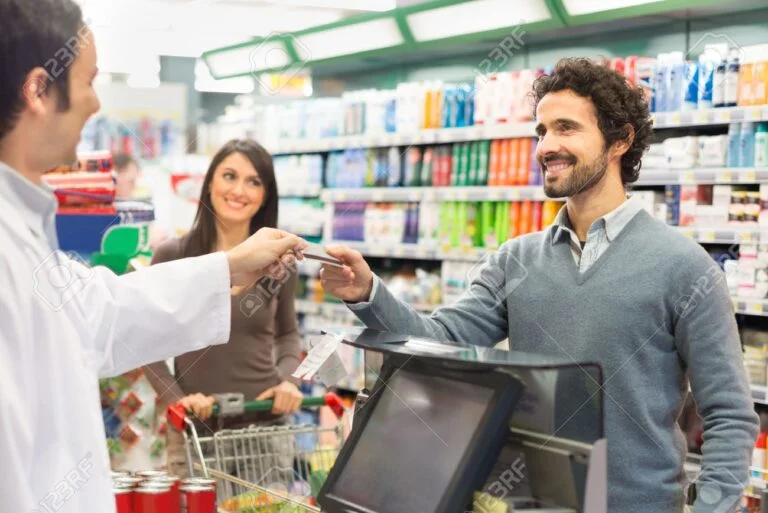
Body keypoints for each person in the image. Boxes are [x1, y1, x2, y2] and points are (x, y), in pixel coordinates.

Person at [321, 58, 759, 513]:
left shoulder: (684, 266)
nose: (547, 146)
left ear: (621, 140)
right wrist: (367, 291)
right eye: (541, 131)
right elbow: (442, 341)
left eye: (566, 128)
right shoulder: (517, 259)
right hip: (527, 503)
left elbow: (729, 413)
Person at [0, 2, 309, 512]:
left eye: (253, 181)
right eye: (89, 81)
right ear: (39, 89)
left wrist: (230, 267)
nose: (96, 103)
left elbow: (100, 309)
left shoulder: (24, 225)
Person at [142, 139, 304, 477]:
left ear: (265, 195)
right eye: (229, 176)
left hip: (264, 425)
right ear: (210, 182)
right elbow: (147, 344)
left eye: (254, 181)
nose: (239, 190)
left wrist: (288, 381)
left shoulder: (280, 261)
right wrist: (176, 399)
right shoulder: (173, 255)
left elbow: (288, 334)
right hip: (196, 428)